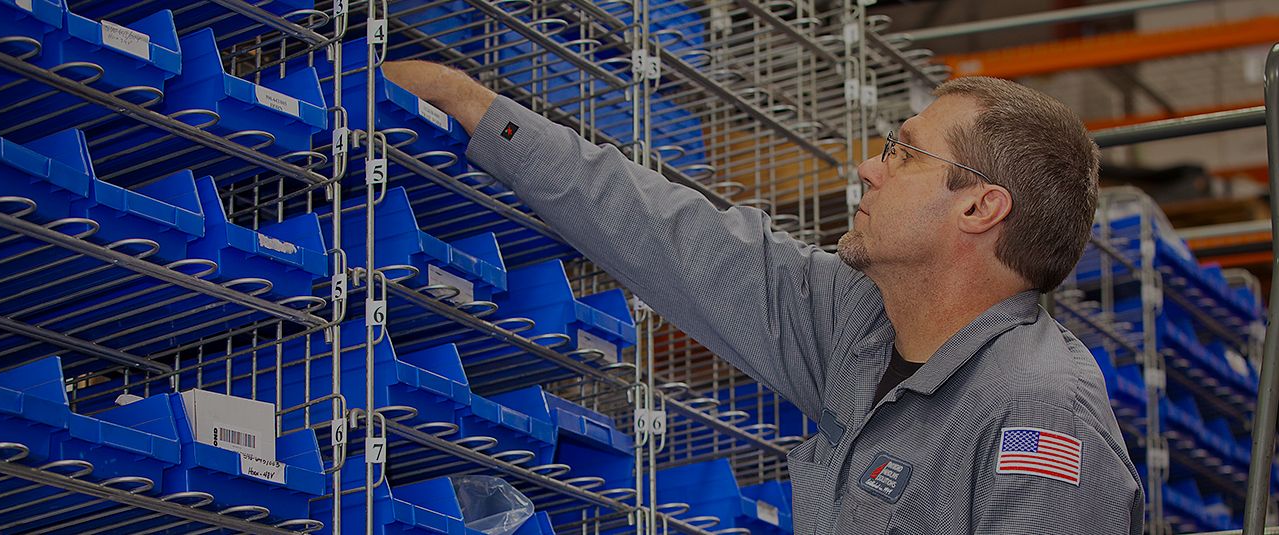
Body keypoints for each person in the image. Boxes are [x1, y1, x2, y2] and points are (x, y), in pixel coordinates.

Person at [383, 60, 1144, 534]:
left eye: (903, 152)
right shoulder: (862, 328)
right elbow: (676, 237)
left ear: (980, 207)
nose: (870, 169)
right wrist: (482, 114)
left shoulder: (1038, 413)